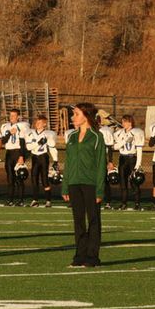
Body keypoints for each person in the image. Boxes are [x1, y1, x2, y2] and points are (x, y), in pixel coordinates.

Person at [62, 103, 106, 268]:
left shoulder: (96, 137)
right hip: (74, 183)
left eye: (77, 114)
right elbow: (68, 163)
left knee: (93, 220)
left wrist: (100, 190)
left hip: (91, 184)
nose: (73, 117)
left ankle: (92, 257)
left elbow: (101, 164)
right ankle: (79, 256)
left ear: (86, 116)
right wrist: (65, 185)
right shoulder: (72, 137)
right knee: (78, 221)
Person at [113, 115, 145, 210]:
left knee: (134, 182)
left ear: (130, 122)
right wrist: (124, 141)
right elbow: (115, 147)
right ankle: (124, 203)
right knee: (123, 183)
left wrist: (138, 165)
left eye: (126, 121)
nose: (123, 123)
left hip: (132, 159)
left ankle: (137, 204)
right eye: (122, 121)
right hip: (122, 158)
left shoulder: (137, 132)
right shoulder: (119, 133)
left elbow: (139, 149)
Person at [26, 115, 58, 208]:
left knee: (45, 179)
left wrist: (55, 160)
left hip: (43, 157)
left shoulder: (49, 134)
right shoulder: (30, 133)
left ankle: (48, 201)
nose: (37, 124)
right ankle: (35, 200)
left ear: (44, 124)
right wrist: (38, 143)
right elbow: (28, 147)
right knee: (34, 179)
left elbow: (52, 147)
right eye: (36, 122)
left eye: (39, 122)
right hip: (34, 157)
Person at [1, 109, 30, 206]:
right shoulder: (5, 126)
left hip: (18, 152)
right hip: (9, 153)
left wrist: (21, 156)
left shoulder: (23, 125)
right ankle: (10, 200)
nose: (11, 117)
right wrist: (9, 133)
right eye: (10, 115)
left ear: (18, 117)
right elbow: (3, 141)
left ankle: (21, 200)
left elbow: (23, 142)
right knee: (10, 178)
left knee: (19, 177)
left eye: (14, 115)